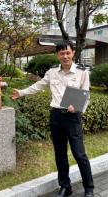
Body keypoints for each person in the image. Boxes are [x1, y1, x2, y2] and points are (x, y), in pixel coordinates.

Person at [11, 41, 94, 197]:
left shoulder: (82, 72)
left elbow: (86, 94)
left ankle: (89, 188)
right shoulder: (52, 72)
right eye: (61, 53)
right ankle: (65, 186)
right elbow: (39, 85)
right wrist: (21, 92)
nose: (65, 56)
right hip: (56, 116)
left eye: (68, 53)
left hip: (72, 117)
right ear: (57, 55)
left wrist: (76, 106)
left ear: (73, 53)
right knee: (60, 153)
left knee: (79, 154)